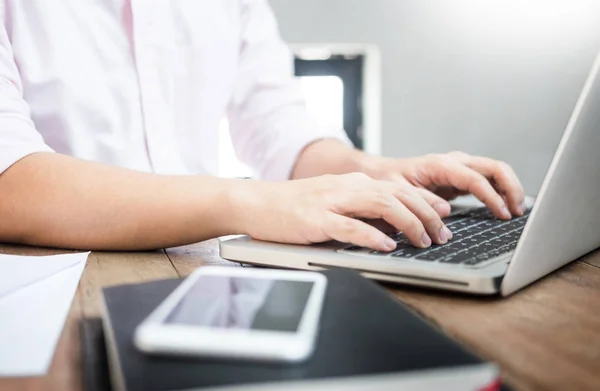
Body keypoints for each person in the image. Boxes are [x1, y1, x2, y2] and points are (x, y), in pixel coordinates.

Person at [0, 1, 524, 253]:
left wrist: (379, 173)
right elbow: (10, 182)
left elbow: (280, 131)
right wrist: (250, 202)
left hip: (197, 268)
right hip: (50, 288)